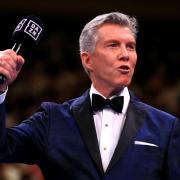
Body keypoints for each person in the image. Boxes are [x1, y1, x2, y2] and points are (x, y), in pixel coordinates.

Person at [0, 12, 179, 180]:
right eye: (113, 45)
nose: (125, 55)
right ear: (88, 59)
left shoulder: (166, 127)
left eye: (130, 46)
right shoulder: (52, 120)